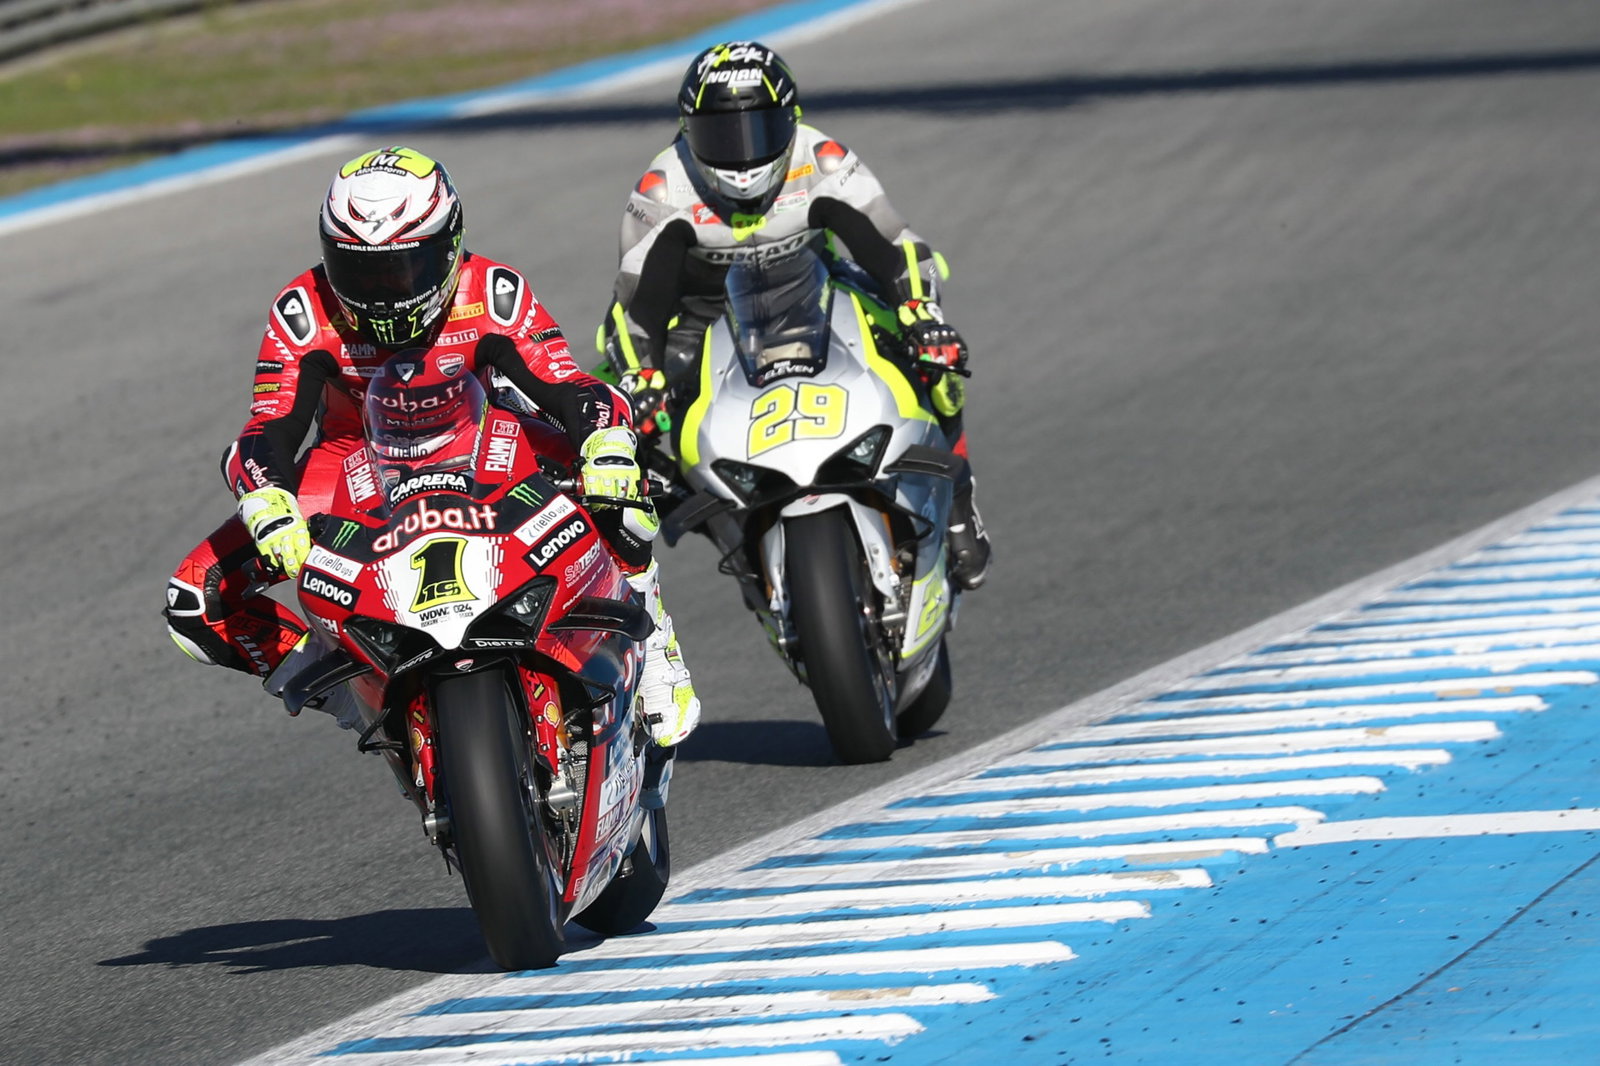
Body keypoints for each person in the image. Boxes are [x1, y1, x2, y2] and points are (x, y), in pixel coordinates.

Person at [164, 145, 699, 747]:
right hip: (353, 460)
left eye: (404, 269)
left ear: (448, 248)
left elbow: (571, 387)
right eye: (359, 270)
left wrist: (605, 443)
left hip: (486, 438)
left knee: (620, 483)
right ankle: (358, 697)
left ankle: (655, 643)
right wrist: (266, 499)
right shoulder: (304, 310)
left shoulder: (492, 291)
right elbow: (268, 426)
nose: (383, 293)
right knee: (194, 600)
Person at [598, 40, 991, 589]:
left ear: (792, 118)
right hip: (703, 317)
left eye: (759, 129)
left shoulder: (822, 158)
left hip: (819, 287)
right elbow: (635, 306)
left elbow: (893, 244)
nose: (742, 154)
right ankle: (723, 531)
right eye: (721, 134)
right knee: (607, 427)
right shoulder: (662, 188)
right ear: (688, 130)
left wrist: (921, 313)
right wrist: (641, 380)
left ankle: (960, 500)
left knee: (935, 352)